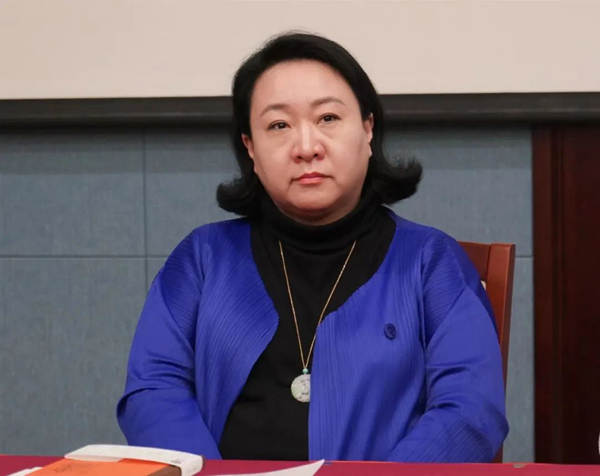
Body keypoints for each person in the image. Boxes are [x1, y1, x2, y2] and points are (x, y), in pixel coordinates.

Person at [116, 32, 508, 463]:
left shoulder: (431, 262)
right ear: (250, 147)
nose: (306, 148)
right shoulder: (202, 259)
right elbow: (153, 390)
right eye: (278, 125)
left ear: (368, 128)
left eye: (328, 118)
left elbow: (470, 411)